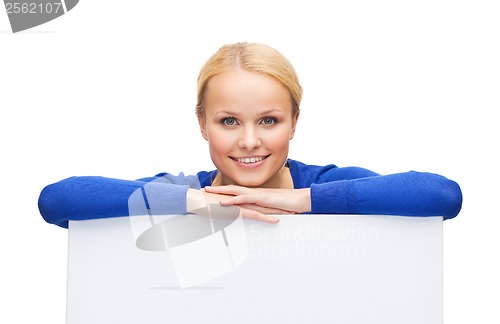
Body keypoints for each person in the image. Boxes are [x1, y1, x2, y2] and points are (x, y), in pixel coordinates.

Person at [38, 42, 462, 228]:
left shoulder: (328, 184)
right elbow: (57, 201)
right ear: (201, 123)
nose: (248, 141)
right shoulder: (182, 192)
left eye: (268, 120)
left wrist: (301, 200)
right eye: (228, 121)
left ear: (295, 121)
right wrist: (194, 202)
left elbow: (441, 196)